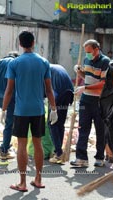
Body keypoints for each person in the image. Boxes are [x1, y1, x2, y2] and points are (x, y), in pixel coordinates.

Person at [2, 31, 57, 192]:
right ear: (34, 42)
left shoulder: (14, 63)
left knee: (22, 144)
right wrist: (53, 108)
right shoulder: (44, 62)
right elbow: (49, 89)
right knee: (37, 143)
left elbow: (9, 90)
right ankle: (38, 179)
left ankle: (22, 182)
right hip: (38, 109)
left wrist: (4, 109)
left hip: (21, 110)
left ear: (20, 44)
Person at [71, 39, 110, 167]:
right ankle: (81, 158)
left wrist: (85, 88)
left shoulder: (105, 62)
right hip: (85, 101)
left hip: (99, 102)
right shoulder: (86, 60)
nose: (87, 54)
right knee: (83, 129)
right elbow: (87, 78)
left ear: (96, 49)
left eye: (89, 52)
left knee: (100, 130)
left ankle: (99, 158)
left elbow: (103, 84)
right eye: (86, 52)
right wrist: (79, 72)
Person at [47, 64, 74, 164]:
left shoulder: (43, 70)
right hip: (68, 94)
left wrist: (53, 109)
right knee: (59, 123)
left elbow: (47, 91)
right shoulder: (54, 67)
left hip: (59, 95)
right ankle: (58, 152)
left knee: (51, 123)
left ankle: (58, 153)